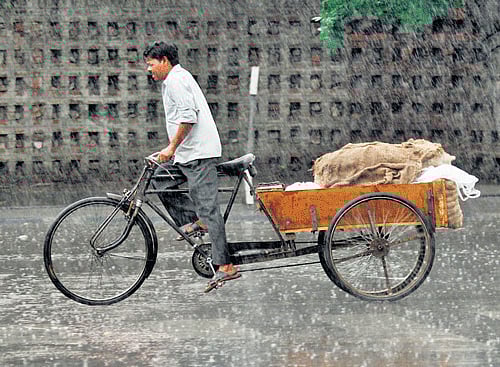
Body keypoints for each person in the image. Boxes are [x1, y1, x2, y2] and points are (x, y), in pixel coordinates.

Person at [143, 42, 240, 291]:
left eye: (151, 64)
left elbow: (188, 117)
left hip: (199, 154)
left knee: (209, 209)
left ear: (164, 60)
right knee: (161, 178)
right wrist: (171, 151)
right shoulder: (174, 80)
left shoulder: (176, 81)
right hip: (188, 155)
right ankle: (194, 220)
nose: (149, 70)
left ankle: (226, 266)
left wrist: (170, 148)